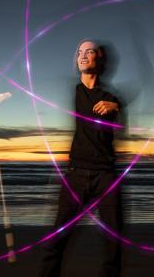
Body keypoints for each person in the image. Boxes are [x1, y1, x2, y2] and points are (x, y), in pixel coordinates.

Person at [36, 39, 124, 277]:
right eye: (79, 52)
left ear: (100, 58)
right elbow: (30, 89)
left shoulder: (110, 98)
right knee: (56, 241)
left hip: (106, 177)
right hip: (76, 175)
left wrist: (117, 107)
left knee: (113, 245)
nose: (83, 55)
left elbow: (123, 127)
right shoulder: (75, 91)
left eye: (89, 51)